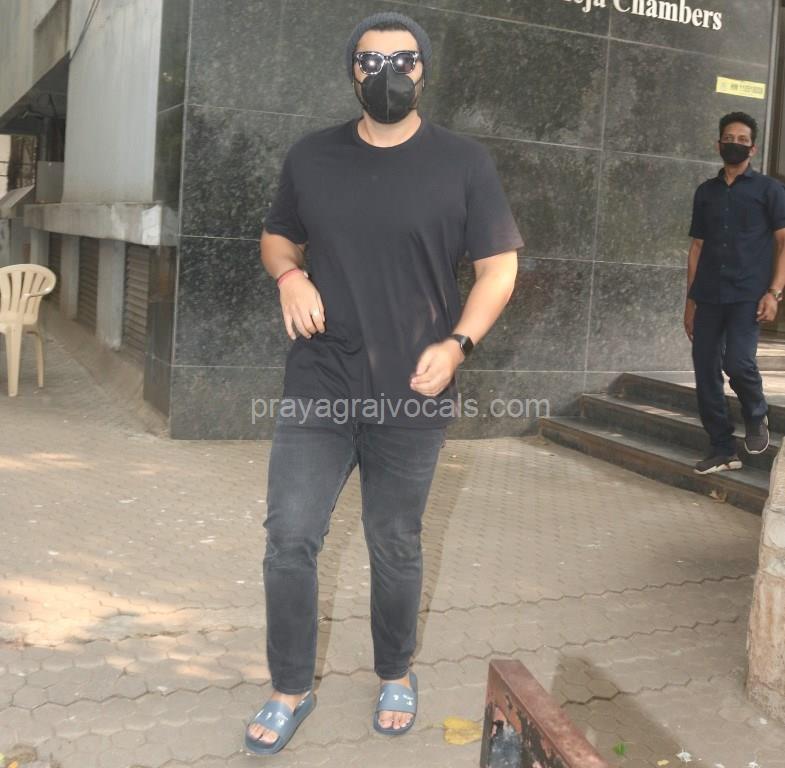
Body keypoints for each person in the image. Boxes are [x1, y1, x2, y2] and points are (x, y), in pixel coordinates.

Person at [244, 11, 523, 756]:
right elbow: (277, 236)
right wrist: (289, 274)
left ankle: (395, 671)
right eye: (370, 62)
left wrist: (458, 344)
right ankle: (289, 687)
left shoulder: (463, 163)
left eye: (403, 60)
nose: (386, 74)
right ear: (352, 72)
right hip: (321, 381)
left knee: (394, 542)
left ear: (423, 70)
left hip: (413, 389)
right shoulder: (312, 156)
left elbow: (498, 268)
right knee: (289, 537)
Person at [684, 111, 785, 475]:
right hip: (708, 295)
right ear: (718, 144)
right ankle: (723, 449)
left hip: (748, 296)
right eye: (729, 138)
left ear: (753, 149)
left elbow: (783, 243)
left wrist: (774, 292)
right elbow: (697, 248)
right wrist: (689, 302)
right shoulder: (706, 192)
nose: (735, 144)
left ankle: (756, 413)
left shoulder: (770, 191)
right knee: (705, 371)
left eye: (743, 140)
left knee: (738, 363)